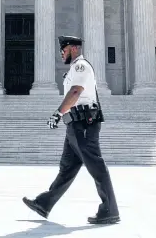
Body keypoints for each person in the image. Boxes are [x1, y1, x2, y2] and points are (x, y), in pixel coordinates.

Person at [22, 36, 120, 225]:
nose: (61, 53)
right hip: (75, 125)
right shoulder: (73, 69)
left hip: (84, 124)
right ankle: (44, 203)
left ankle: (110, 209)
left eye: (64, 49)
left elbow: (76, 91)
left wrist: (57, 114)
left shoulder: (80, 66)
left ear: (74, 48)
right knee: (67, 168)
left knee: (96, 166)